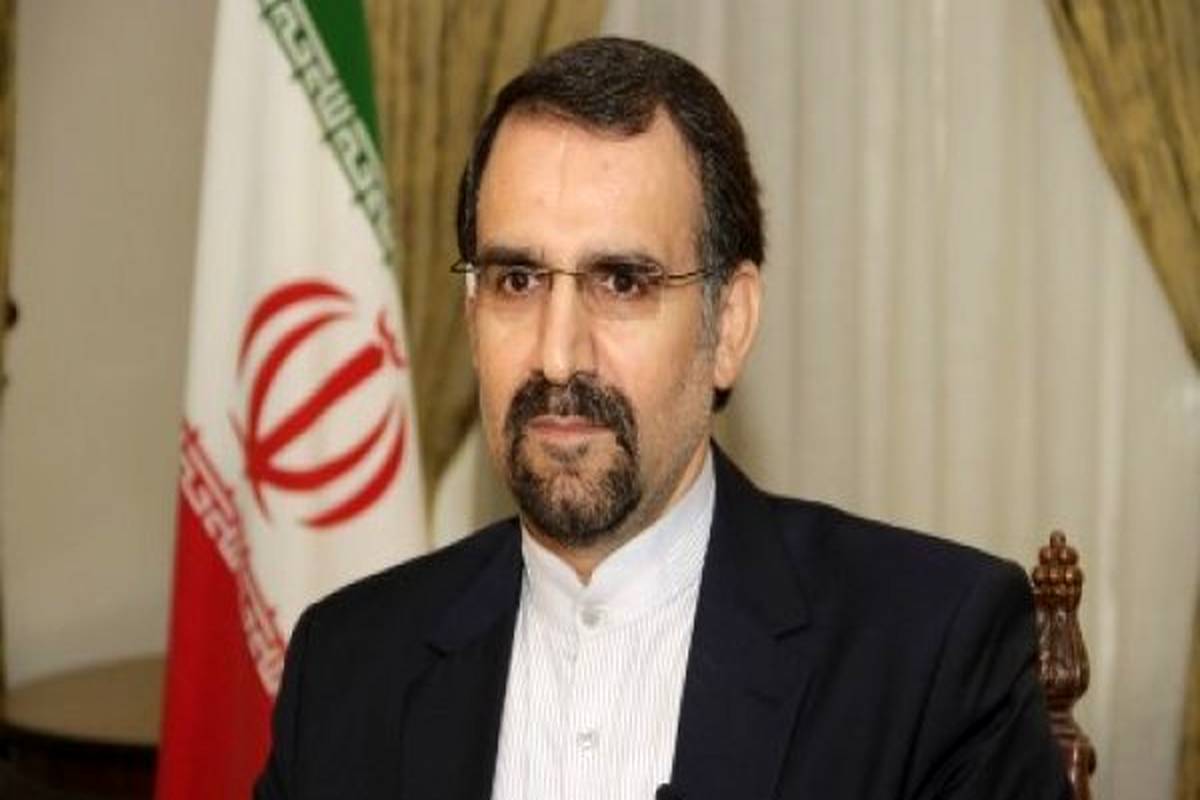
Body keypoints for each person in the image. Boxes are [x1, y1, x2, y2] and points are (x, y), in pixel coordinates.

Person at [255, 36, 1069, 800]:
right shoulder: (348, 667)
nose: (558, 356)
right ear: (471, 317)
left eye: (621, 282)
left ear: (729, 325)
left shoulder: (927, 654)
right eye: (517, 281)